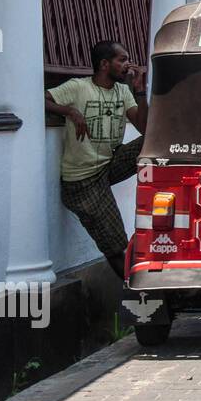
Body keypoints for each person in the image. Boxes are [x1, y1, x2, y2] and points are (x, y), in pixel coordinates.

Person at [44, 41, 148, 279]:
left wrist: (140, 91)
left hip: (108, 165)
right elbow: (41, 98)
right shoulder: (78, 87)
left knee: (152, 140)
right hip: (83, 181)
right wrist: (70, 111)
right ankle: (139, 294)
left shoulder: (122, 91)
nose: (128, 65)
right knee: (116, 244)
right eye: (122, 60)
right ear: (104, 64)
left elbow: (145, 128)